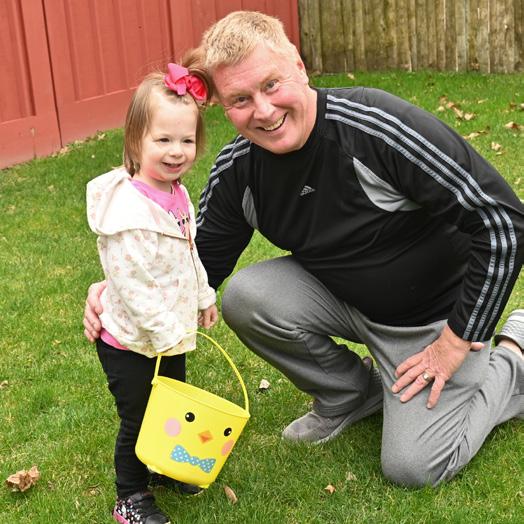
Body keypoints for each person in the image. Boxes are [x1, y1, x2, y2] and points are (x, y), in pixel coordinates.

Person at [85, 11, 524, 488]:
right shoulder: (239, 170)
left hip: (433, 320)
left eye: (271, 85)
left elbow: (504, 221)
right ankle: (350, 394)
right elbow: (195, 266)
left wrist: (454, 342)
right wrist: (118, 290)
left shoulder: (375, 127)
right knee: (246, 297)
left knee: (414, 467)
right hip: (344, 300)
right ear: (225, 108)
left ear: (298, 64)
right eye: (240, 100)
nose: (264, 111)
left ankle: (514, 356)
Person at [86, 55, 218, 524]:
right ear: (135, 140)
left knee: (170, 402)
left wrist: (203, 297)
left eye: (186, 140)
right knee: (139, 416)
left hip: (168, 336)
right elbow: (132, 285)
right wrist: (165, 331)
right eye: (163, 140)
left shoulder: (176, 194)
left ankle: (164, 465)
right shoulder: (128, 214)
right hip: (130, 341)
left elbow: (188, 251)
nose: (176, 151)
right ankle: (130, 496)